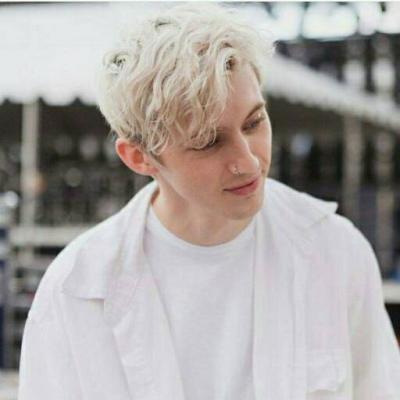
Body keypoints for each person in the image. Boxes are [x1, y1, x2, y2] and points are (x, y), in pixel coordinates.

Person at [18, 3, 400, 400]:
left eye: (254, 122)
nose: (248, 161)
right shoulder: (75, 291)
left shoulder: (335, 251)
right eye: (208, 142)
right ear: (139, 157)